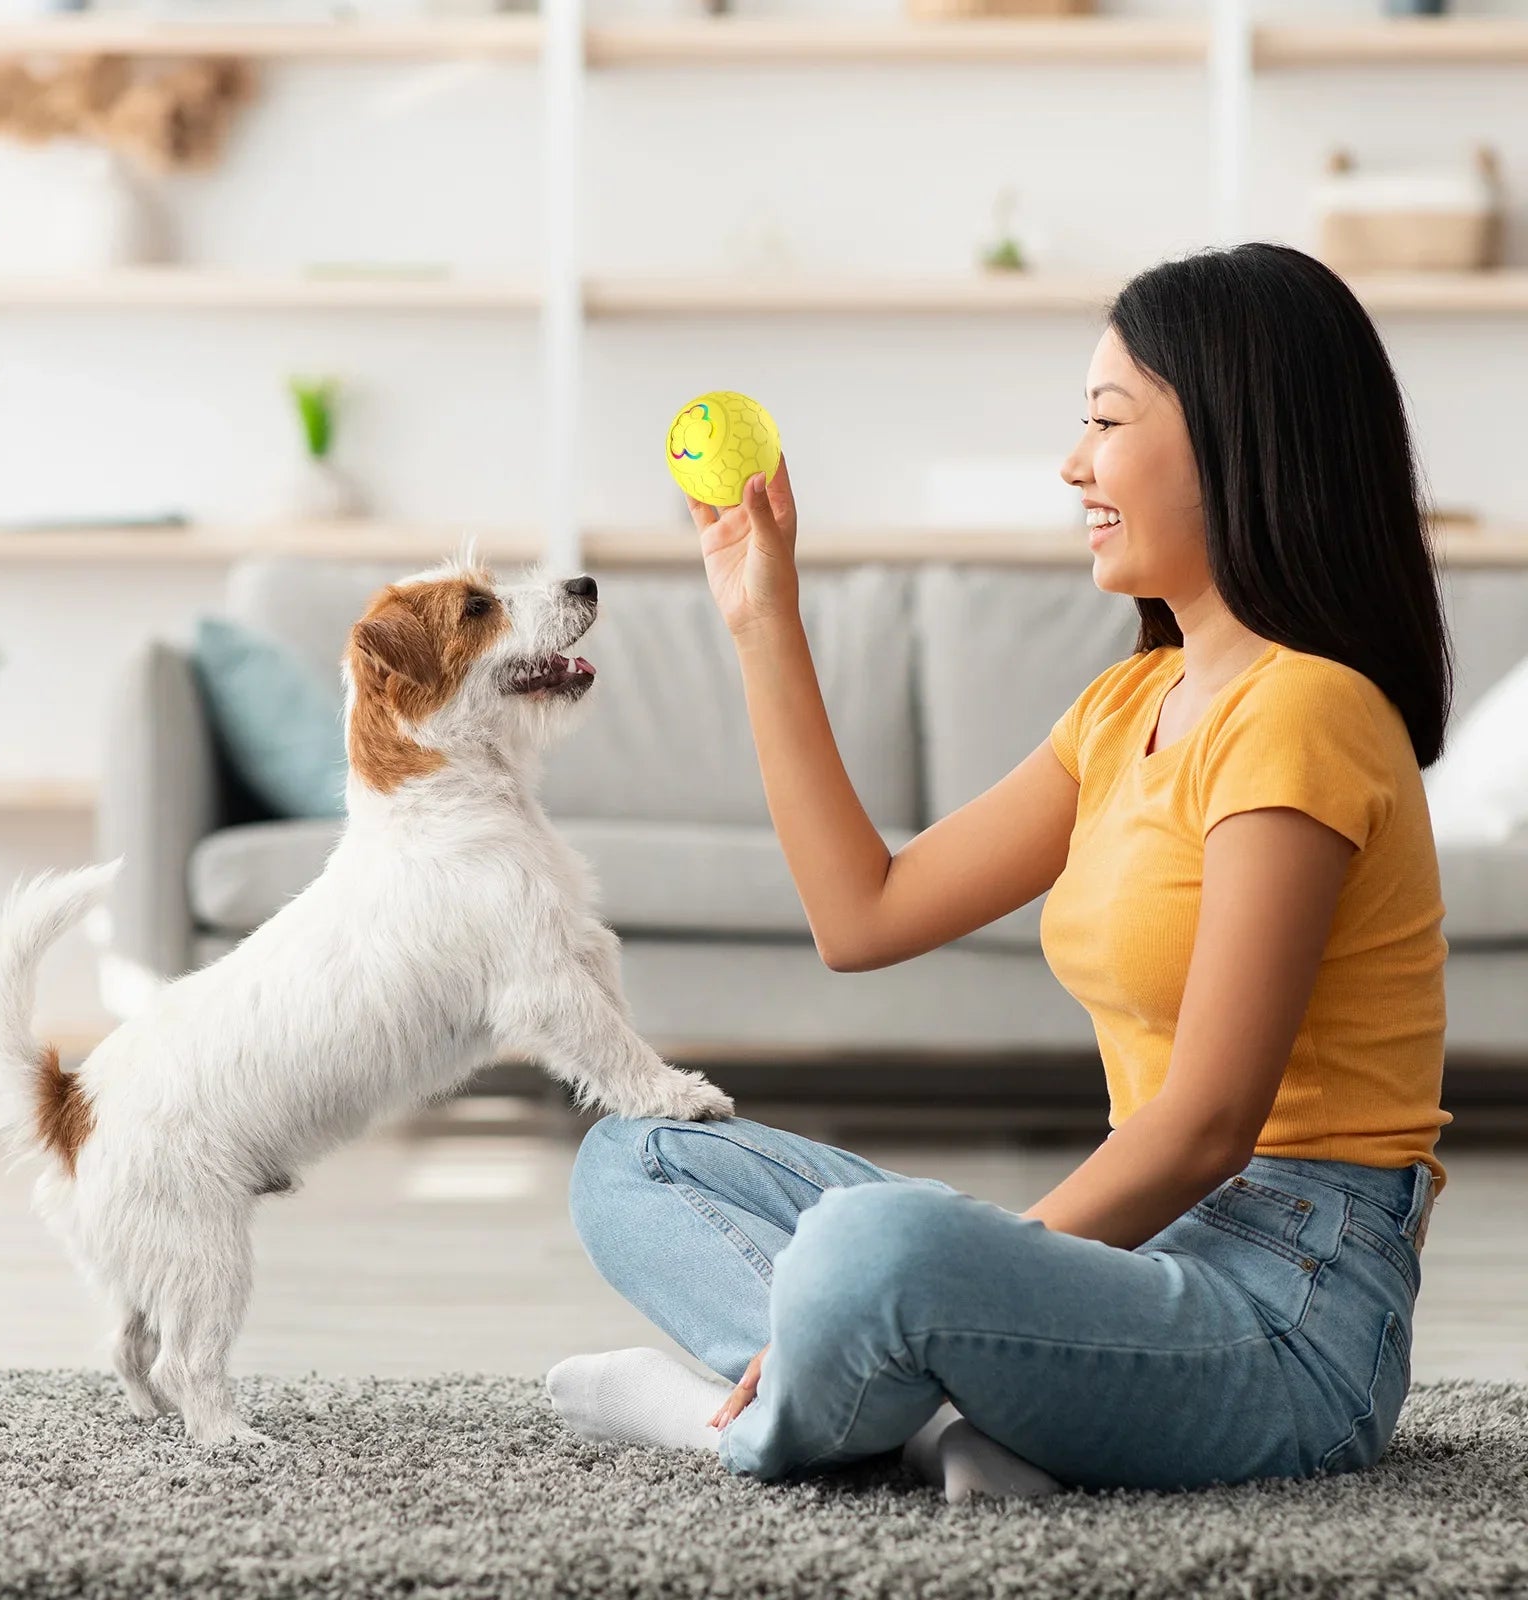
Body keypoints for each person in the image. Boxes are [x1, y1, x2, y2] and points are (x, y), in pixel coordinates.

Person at [545, 241, 1452, 1501]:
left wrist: (953, 1269)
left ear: (1237, 442)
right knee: (638, 1158)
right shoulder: (1126, 702)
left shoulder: (1305, 712)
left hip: (1290, 1316)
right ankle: (941, 1428)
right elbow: (860, 916)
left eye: (1105, 421)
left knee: (878, 1251)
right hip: (1146, 1261)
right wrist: (762, 617)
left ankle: (727, 1419)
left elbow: (1205, 1127)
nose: (1073, 463)